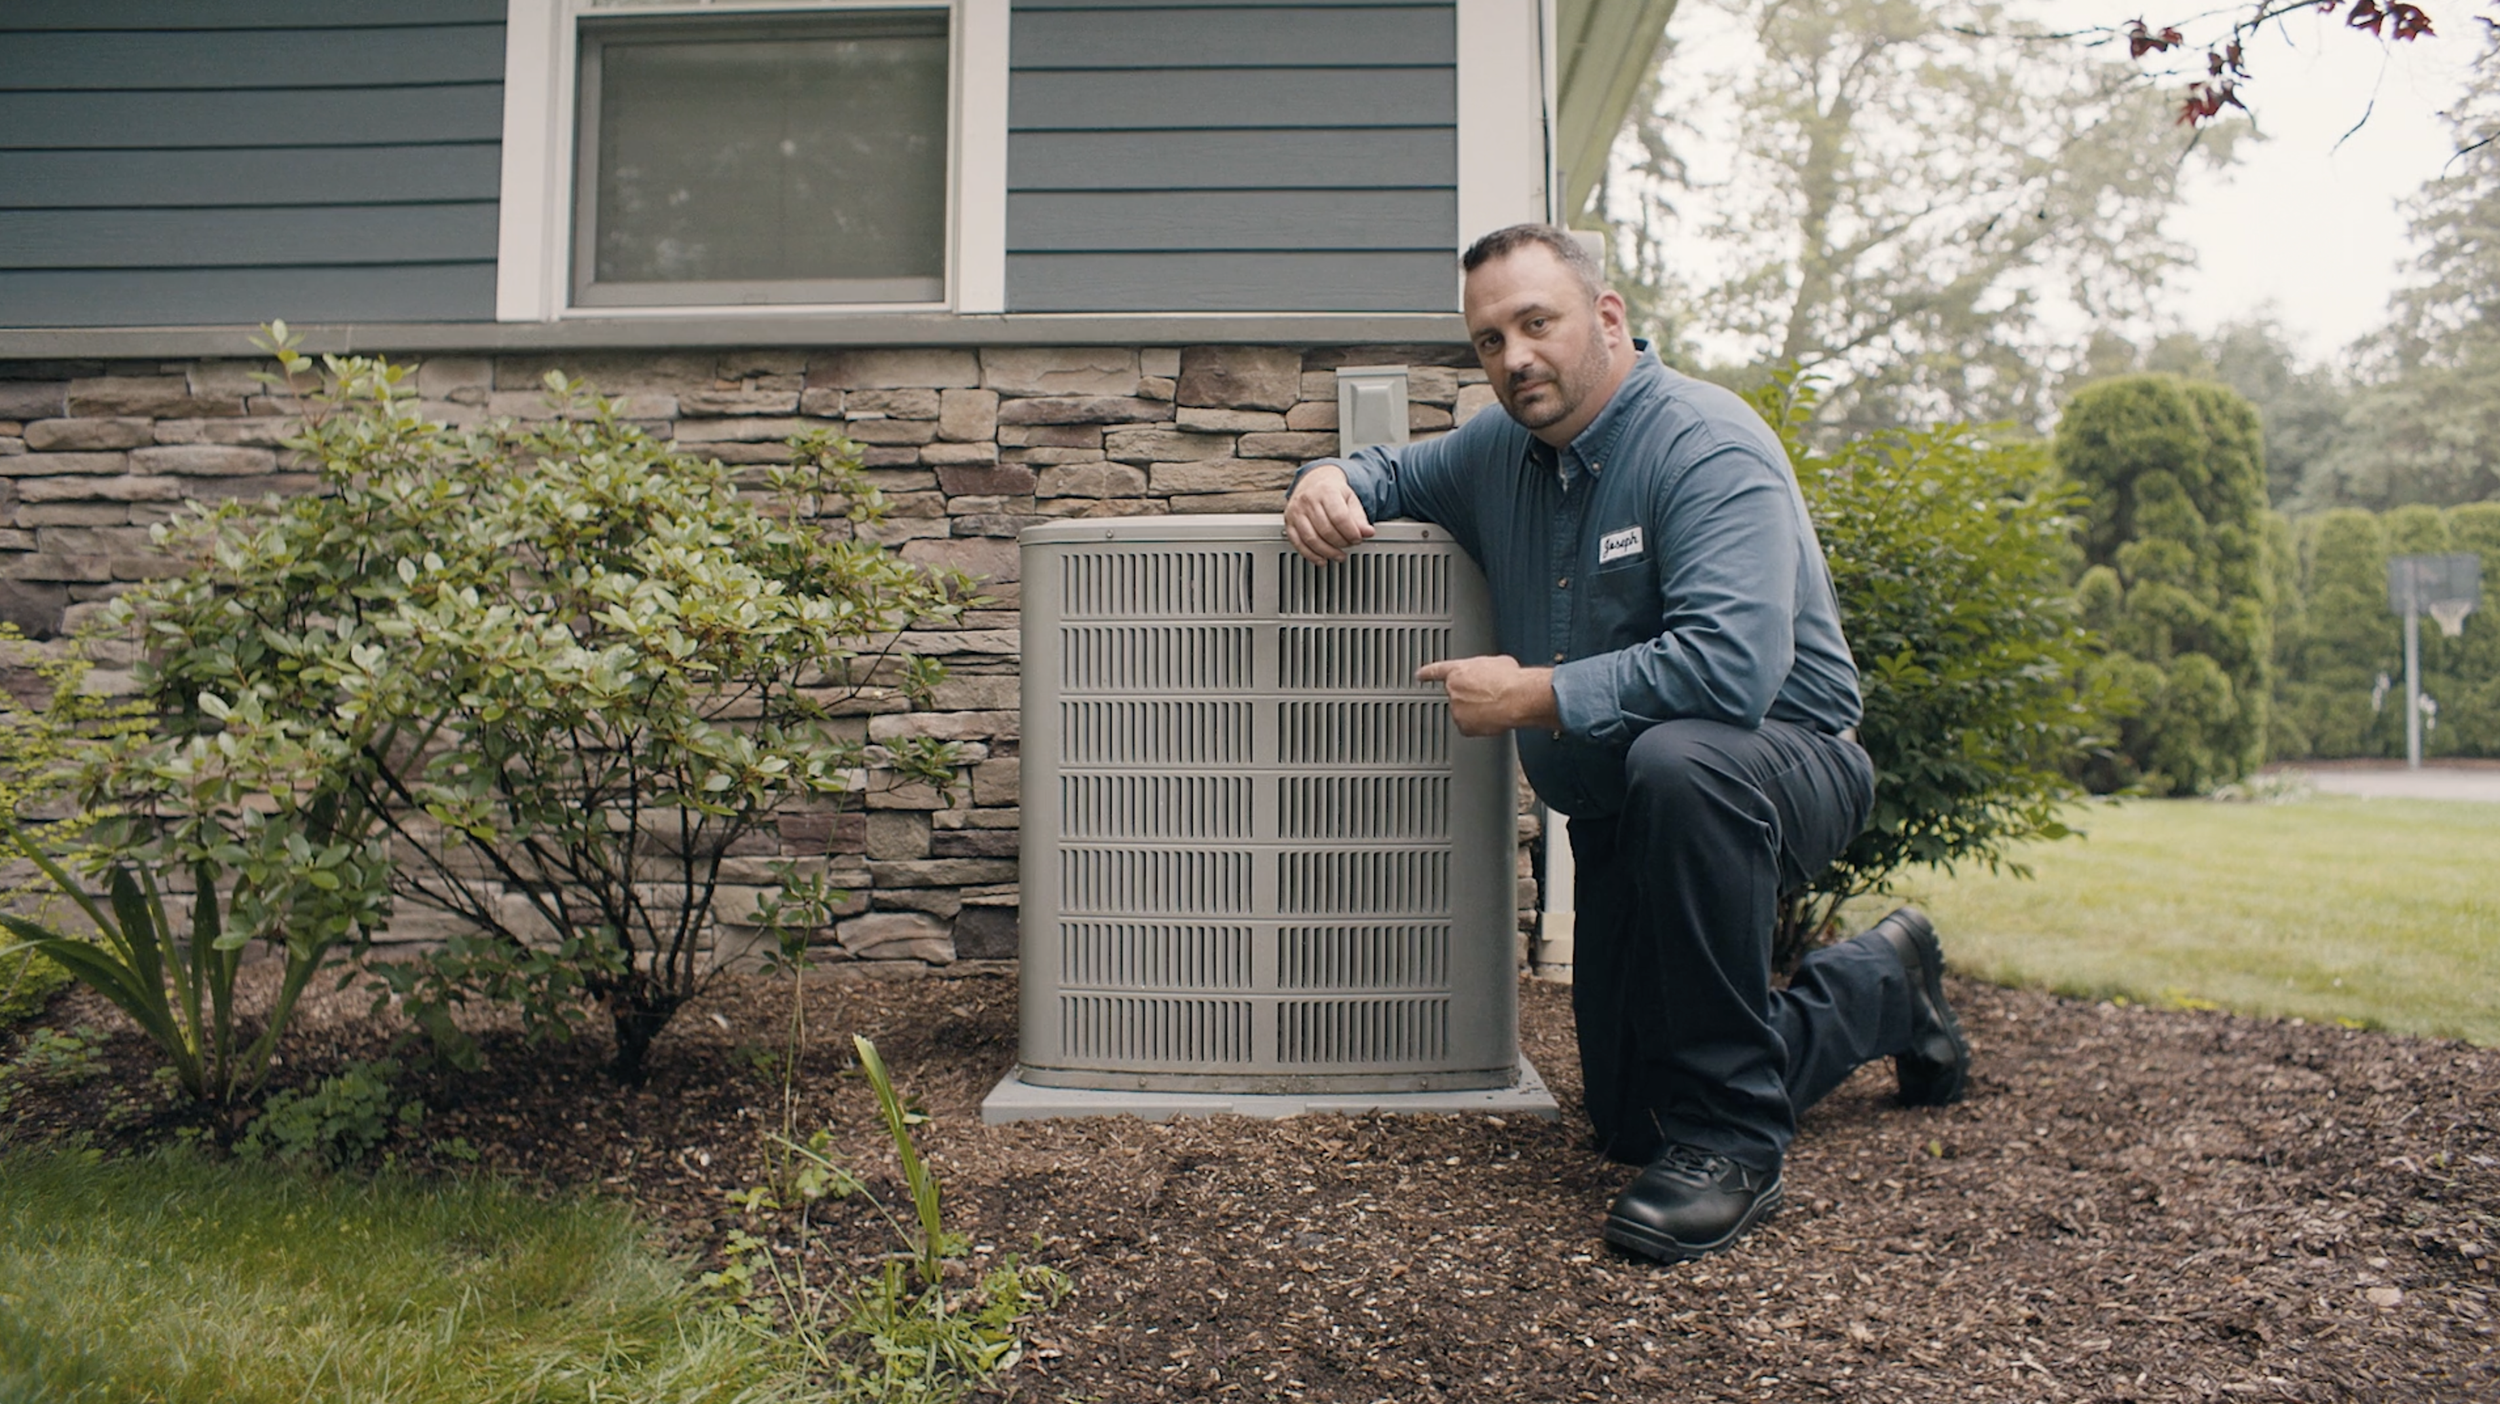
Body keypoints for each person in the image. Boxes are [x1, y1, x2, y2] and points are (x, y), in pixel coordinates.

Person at [1282, 222, 1972, 1264]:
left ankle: (1736, 1145)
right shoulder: (1496, 452)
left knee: (1679, 759)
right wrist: (1325, 477)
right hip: (1621, 810)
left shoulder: (1706, 444)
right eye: (1486, 342)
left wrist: (1533, 694)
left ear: (1607, 318)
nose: (1513, 358)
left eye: (1535, 323)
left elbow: (1731, 672)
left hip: (1774, 766)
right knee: (1628, 1123)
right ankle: (1884, 983)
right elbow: (1389, 473)